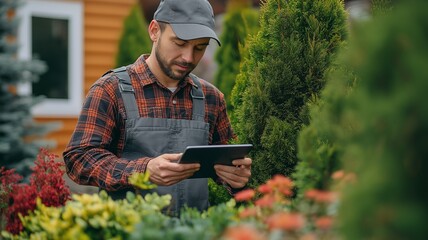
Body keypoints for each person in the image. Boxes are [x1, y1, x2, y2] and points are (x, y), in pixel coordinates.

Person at [63, 0, 252, 216]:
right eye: (180, 43)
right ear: (154, 31)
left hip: (196, 231)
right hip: (129, 230)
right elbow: (78, 159)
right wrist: (143, 170)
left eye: (199, 47)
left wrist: (236, 179)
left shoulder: (212, 98)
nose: (189, 57)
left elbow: (225, 165)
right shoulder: (110, 89)